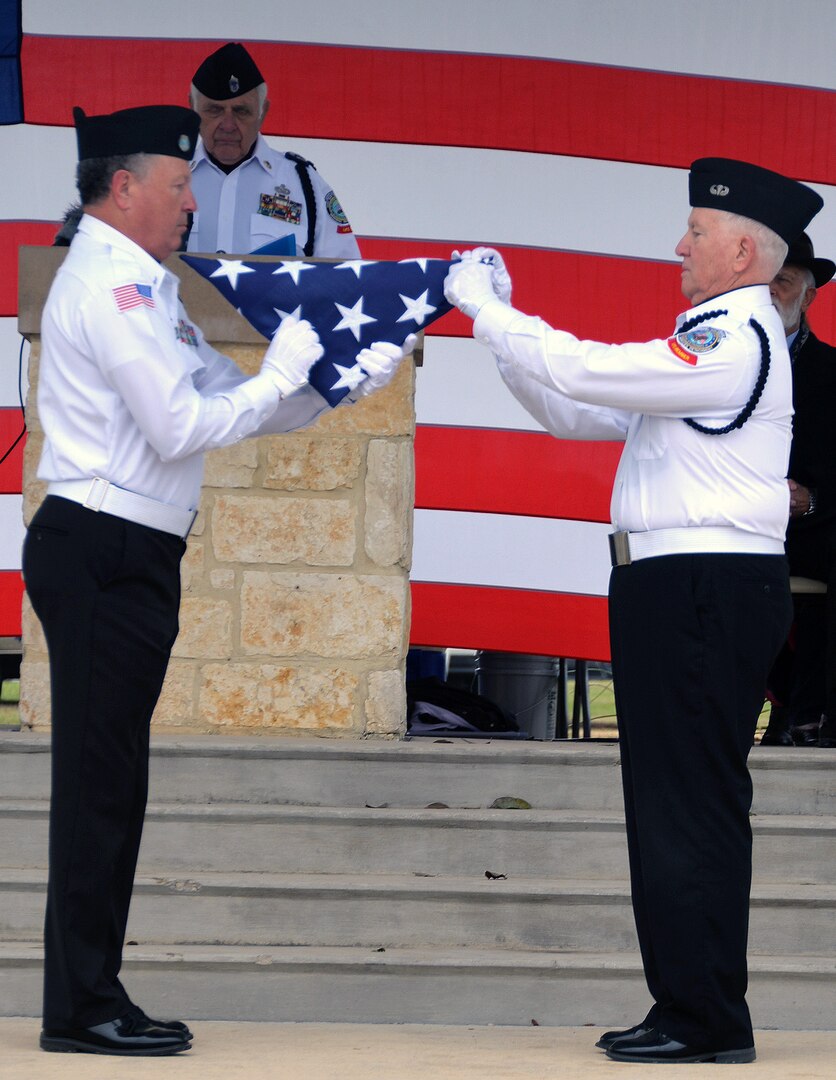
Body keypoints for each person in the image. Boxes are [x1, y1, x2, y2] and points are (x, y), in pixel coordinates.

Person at [23, 103, 409, 1057]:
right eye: (178, 183)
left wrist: (322, 388)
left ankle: (92, 993)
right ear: (123, 190)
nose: (194, 202)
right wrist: (280, 371)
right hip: (105, 545)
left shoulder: (144, 285)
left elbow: (218, 402)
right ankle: (81, 1005)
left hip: (132, 549)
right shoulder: (111, 288)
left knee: (114, 782)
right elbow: (179, 428)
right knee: (98, 785)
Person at [443, 157, 822, 1065]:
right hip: (678, 588)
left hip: (703, 586)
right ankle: (688, 1005)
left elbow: (590, 367)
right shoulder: (712, 339)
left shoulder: (734, 340)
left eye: (694, 232)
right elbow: (575, 406)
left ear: (740, 250)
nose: (678, 246)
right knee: (670, 803)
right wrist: (499, 337)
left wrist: (490, 310)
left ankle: (704, 1016)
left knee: (688, 805)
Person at [761, 234, 836, 747]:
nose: (768, 294)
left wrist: (812, 500)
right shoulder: (713, 359)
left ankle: (808, 716)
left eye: (782, 282)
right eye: (760, 282)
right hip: (731, 523)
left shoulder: (833, 372)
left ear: (807, 297)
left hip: (812, 528)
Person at [186, 42, 360, 259]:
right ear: (192, 108)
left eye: (241, 111)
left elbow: (344, 274)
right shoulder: (164, 182)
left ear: (263, 112)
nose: (228, 125)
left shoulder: (304, 183)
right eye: (214, 110)